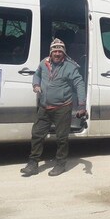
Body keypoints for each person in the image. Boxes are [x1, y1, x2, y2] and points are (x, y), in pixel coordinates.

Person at [21, 38, 87, 177]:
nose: (57, 53)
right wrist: (36, 85)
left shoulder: (70, 66)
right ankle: (33, 164)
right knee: (37, 134)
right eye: (55, 51)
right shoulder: (44, 63)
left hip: (62, 107)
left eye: (60, 51)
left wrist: (81, 104)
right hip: (44, 106)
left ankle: (60, 164)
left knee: (62, 138)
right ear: (51, 52)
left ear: (64, 53)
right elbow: (37, 74)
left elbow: (80, 84)